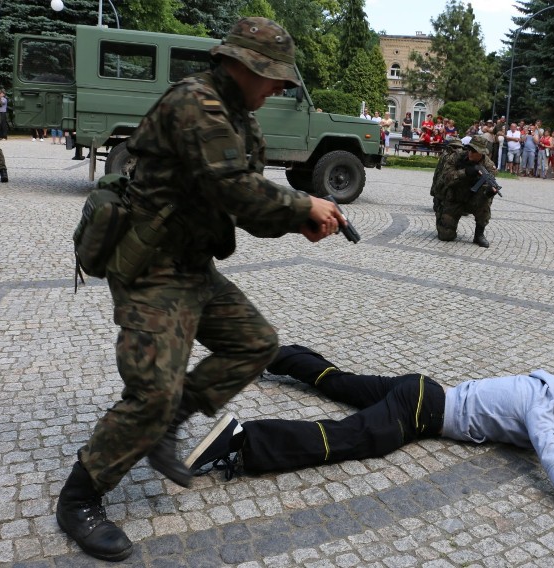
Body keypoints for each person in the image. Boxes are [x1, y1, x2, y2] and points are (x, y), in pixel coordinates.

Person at [54, 17, 346, 562]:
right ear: (242, 65)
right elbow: (233, 187)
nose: (280, 87)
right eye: (273, 76)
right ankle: (79, 499)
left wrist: (296, 220)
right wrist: (305, 205)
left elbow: (248, 205)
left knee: (256, 343)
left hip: (193, 266)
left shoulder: (241, 116)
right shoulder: (196, 103)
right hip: (150, 267)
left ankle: (167, 424)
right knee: (152, 392)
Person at [187, 345, 554, 545]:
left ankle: (276, 356)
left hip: (424, 389)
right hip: (423, 413)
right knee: (351, 439)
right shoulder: (543, 417)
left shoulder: (548, 388)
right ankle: (244, 440)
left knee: (342, 382)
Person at [430, 135, 498, 247]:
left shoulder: (488, 165)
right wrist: (465, 172)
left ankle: (479, 234)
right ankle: (441, 213)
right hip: (454, 198)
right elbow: (446, 178)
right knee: (446, 236)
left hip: (472, 199)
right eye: (469, 149)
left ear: (481, 153)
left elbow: (488, 183)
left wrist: (489, 192)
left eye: (474, 151)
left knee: (486, 200)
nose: (470, 152)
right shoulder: (456, 157)